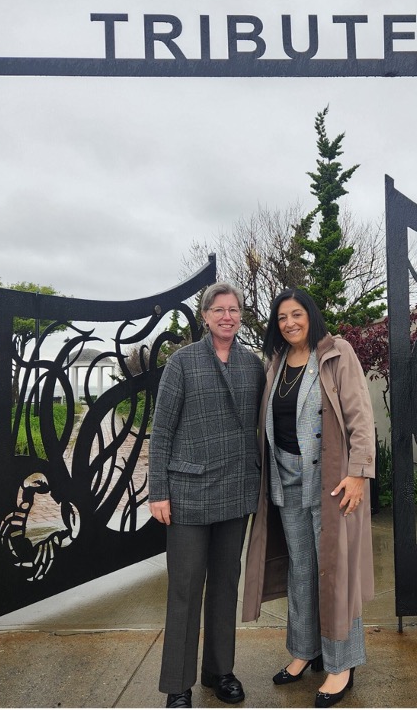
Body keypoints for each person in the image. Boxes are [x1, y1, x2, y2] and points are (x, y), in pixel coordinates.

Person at [241, 288, 376, 709]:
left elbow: (360, 416)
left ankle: (342, 665)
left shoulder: (337, 354)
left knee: (334, 574)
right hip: (285, 481)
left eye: (296, 314)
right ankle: (305, 651)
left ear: (310, 315)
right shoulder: (276, 363)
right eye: (281, 318)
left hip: (331, 482)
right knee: (302, 570)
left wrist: (358, 474)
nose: (289, 323)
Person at [148, 282, 266, 709]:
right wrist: (157, 491)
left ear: (240, 315)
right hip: (189, 493)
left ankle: (219, 671)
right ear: (205, 316)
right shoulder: (182, 362)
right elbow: (161, 432)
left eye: (234, 309)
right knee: (184, 589)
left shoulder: (253, 365)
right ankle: (177, 686)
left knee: (224, 587)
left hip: (236, 491)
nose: (227, 317)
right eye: (219, 310)